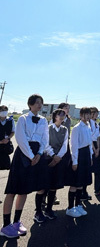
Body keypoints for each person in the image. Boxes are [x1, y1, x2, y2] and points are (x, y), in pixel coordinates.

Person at [0, 94, 49, 239]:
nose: (40, 105)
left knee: (24, 190)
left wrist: (39, 154)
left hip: (36, 154)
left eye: (41, 103)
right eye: (37, 102)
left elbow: (45, 138)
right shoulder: (22, 118)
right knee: (13, 189)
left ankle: (16, 222)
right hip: (23, 154)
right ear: (30, 104)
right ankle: (5, 225)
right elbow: (21, 138)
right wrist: (31, 155)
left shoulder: (43, 120)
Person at [66, 107, 93, 218]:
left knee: (82, 183)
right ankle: (70, 207)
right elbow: (74, 145)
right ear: (81, 115)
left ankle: (78, 205)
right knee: (75, 182)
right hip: (79, 155)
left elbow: (90, 143)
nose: (88, 116)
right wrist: (75, 161)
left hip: (86, 155)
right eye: (86, 114)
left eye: (89, 114)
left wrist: (91, 157)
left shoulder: (88, 126)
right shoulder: (77, 128)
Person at [44, 109, 69, 219]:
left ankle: (49, 209)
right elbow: (45, 143)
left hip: (59, 159)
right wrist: (53, 156)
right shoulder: (48, 128)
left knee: (54, 185)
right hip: (48, 158)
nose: (62, 117)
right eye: (60, 115)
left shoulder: (65, 129)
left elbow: (65, 145)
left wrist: (58, 157)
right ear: (55, 117)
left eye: (64, 115)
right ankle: (40, 209)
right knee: (45, 185)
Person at [82, 107, 100, 201]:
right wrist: (94, 149)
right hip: (90, 146)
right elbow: (90, 138)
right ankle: (83, 191)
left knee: (92, 170)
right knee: (87, 170)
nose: (95, 115)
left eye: (96, 113)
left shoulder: (96, 124)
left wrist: (98, 148)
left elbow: (98, 137)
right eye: (93, 113)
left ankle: (86, 191)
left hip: (95, 146)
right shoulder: (88, 124)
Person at [0, 105, 15, 173]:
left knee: (5, 164)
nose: (4, 112)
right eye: (2, 110)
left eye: (5, 110)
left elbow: (12, 132)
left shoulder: (10, 120)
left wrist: (8, 139)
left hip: (6, 145)